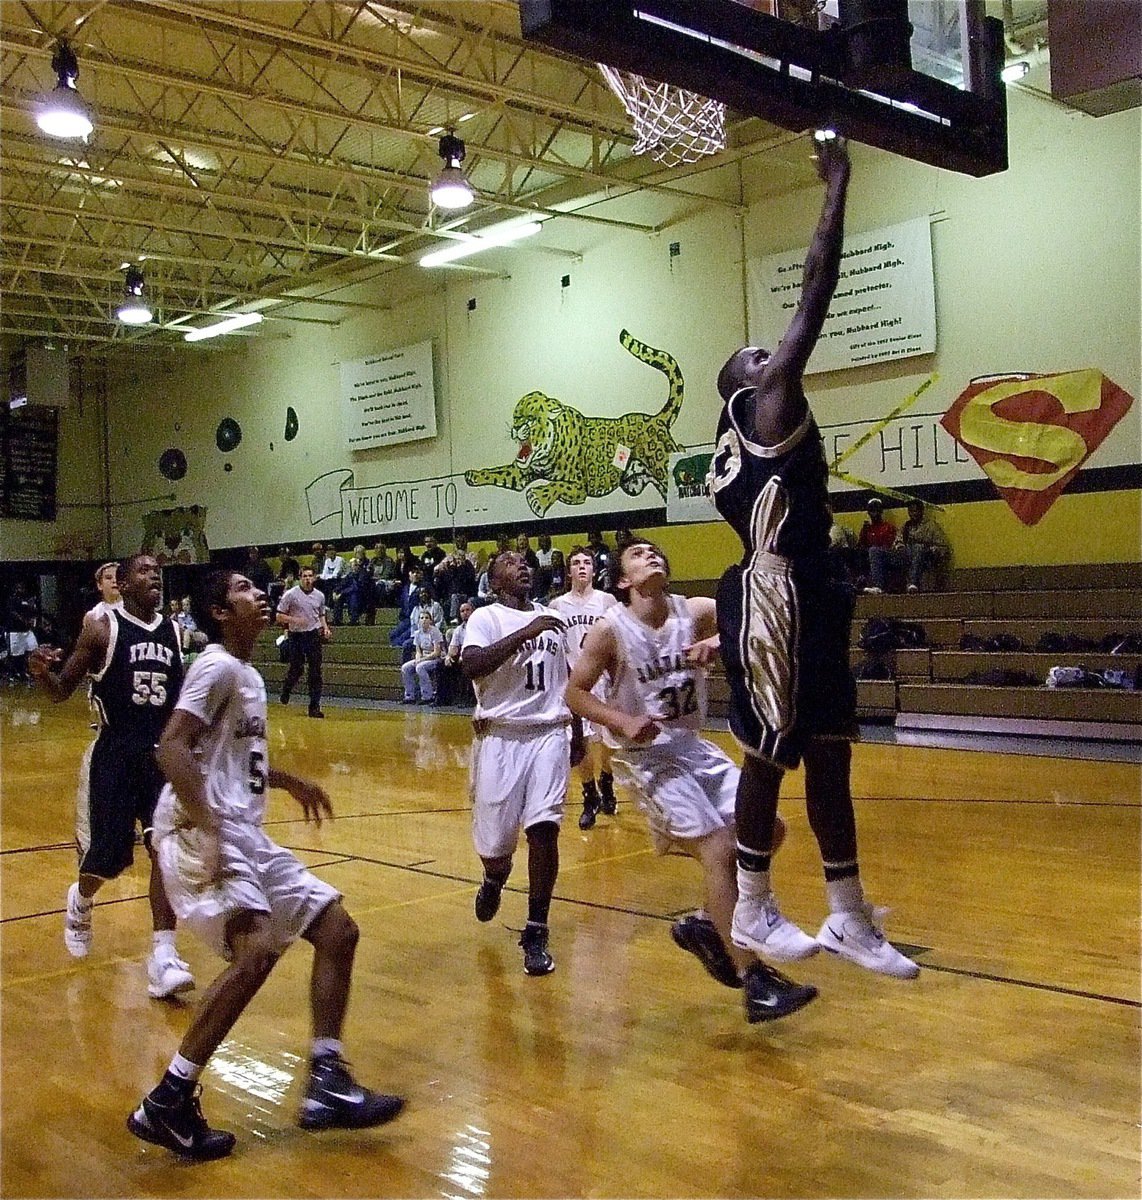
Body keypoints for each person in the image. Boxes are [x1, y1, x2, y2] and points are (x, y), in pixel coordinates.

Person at [711, 135, 918, 980]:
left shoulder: (753, 434)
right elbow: (817, 291)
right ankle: (753, 904)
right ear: (744, 391)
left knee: (830, 749)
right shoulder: (765, 405)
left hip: (813, 586)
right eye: (758, 357)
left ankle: (848, 914)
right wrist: (837, 183)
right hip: (774, 593)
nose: (774, 356)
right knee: (769, 747)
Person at [128, 569, 402, 1160]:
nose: (261, 594)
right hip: (204, 830)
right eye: (246, 588)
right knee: (254, 954)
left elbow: (219, 756)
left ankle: (326, 1082)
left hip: (243, 830)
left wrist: (282, 780)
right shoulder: (217, 665)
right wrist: (207, 825)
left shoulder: (247, 673)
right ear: (220, 611)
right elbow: (171, 745)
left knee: (337, 930)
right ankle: (169, 1099)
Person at [565, 540, 817, 1023]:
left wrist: (719, 642)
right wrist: (618, 720)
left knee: (770, 830)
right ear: (622, 581)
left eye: (656, 552)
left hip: (693, 747)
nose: (651, 556)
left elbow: (755, 618)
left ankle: (707, 923)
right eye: (638, 555)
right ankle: (755, 984)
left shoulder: (694, 610)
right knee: (720, 850)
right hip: (647, 760)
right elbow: (574, 693)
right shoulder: (609, 631)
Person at [27, 554, 194, 999]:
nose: (153, 575)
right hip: (115, 752)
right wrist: (42, 672)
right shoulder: (102, 628)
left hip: (160, 755)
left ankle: (163, 954)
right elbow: (62, 690)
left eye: (157, 570)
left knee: (166, 848)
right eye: (143, 571)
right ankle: (80, 901)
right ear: (121, 583)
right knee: (109, 858)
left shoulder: (175, 631)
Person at [461, 550, 574, 977]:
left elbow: (565, 677)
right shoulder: (486, 617)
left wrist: (575, 732)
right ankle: (493, 878)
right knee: (496, 850)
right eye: (509, 562)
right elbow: (471, 665)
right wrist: (525, 633)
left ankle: (536, 928)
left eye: (525, 561)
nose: (522, 565)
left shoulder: (551, 618)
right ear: (493, 581)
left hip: (548, 733)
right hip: (500, 735)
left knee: (545, 828)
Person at [550, 546, 619, 829]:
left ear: (593, 569)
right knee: (579, 743)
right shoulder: (556, 606)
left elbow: (619, 640)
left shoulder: (607, 601)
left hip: (603, 681)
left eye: (586, 563)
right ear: (569, 571)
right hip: (574, 684)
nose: (581, 567)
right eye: (576, 562)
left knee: (606, 741)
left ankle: (607, 780)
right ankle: (589, 796)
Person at [276, 566, 330, 719]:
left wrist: (325, 628)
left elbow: (321, 614)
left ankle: (314, 706)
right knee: (297, 668)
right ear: (300, 578)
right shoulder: (290, 595)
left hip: (312, 634)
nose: (307, 579)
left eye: (310, 576)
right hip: (296, 635)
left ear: (314, 578)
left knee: (315, 671)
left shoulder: (319, 596)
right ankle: (287, 689)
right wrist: (294, 620)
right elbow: (279, 616)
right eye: (304, 576)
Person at [868, 500, 951, 594]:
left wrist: (931, 549)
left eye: (915, 511)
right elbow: (897, 540)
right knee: (874, 550)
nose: (912, 514)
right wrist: (900, 547)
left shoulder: (931, 526)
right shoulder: (906, 526)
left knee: (918, 547)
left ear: (921, 511)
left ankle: (913, 583)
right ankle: (878, 586)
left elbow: (943, 547)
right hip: (905, 554)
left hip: (924, 557)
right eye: (910, 511)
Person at [401, 611, 444, 704]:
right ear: (418, 621)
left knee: (420, 667)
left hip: (435, 659)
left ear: (430, 620)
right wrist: (417, 659)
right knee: (405, 668)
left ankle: (427, 696)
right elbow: (418, 650)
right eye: (422, 618)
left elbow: (437, 652)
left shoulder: (435, 632)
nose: (424, 620)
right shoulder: (417, 633)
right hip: (423, 657)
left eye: (426, 618)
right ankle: (409, 696)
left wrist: (421, 660)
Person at [857, 499, 896, 592]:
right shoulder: (867, 528)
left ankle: (878, 585)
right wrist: (864, 532)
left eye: (876, 511)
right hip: (869, 555)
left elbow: (888, 545)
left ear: (881, 512)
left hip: (885, 555)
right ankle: (858, 584)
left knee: (873, 551)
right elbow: (860, 544)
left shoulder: (888, 527)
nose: (874, 514)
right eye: (872, 511)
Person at [6, 581, 39, 682]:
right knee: (15, 654)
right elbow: (13, 612)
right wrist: (23, 620)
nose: (21, 590)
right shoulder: (12, 600)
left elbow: (33, 612)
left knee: (34, 649)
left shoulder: (27, 600)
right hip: (15, 631)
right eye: (19, 588)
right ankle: (12, 673)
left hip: (27, 631)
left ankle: (29, 671)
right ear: (16, 589)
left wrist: (32, 607)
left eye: (22, 588)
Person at [533, 533, 565, 601]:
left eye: (545, 541)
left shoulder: (555, 551)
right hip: (546, 583)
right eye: (541, 542)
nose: (543, 544)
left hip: (559, 594)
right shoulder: (538, 554)